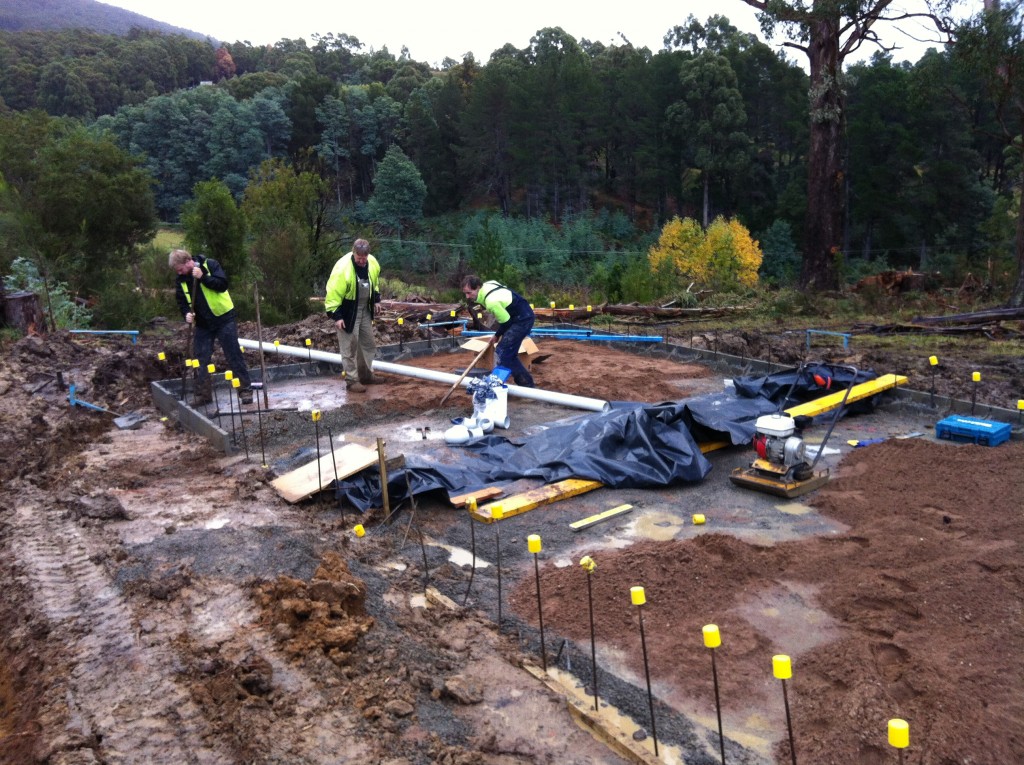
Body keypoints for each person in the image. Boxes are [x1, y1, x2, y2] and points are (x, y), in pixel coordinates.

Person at [169, 248, 253, 405]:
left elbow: (222, 285)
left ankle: (245, 391)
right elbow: (181, 301)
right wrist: (186, 313)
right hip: (203, 324)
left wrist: (203, 277)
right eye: (177, 271)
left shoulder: (210, 265)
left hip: (224, 318)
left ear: (188, 262)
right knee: (200, 358)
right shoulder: (181, 280)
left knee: (233, 354)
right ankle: (203, 395)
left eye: (181, 269)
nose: (179, 272)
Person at [324, 238, 382, 392]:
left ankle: (366, 375)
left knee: (368, 343)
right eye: (359, 258)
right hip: (348, 310)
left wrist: (376, 300)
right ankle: (352, 380)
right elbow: (332, 293)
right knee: (350, 346)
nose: (362, 261)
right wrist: (336, 315)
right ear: (353, 253)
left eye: (364, 258)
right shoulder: (342, 269)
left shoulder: (373, 263)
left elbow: (375, 282)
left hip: (365, 309)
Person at [461, 275, 536, 388]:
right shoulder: (488, 284)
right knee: (508, 353)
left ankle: (525, 386)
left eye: (469, 292)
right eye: (465, 293)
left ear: (477, 287)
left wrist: (497, 335)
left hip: (523, 319)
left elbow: (506, 323)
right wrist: (498, 335)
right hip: (518, 314)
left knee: (502, 352)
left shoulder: (491, 302)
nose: (467, 296)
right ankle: (526, 384)